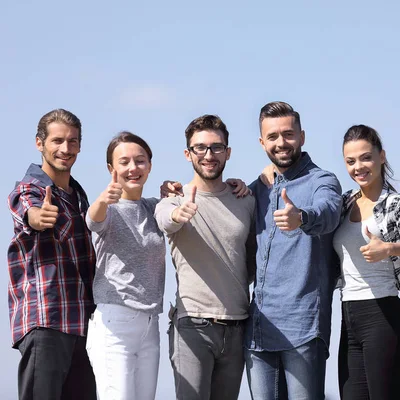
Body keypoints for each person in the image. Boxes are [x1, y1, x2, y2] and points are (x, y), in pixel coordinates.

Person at [245, 101, 343, 399]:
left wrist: (301, 217)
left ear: (302, 136)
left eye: (288, 134)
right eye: (272, 137)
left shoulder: (322, 181)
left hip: (303, 327)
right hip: (258, 331)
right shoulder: (255, 189)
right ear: (262, 142)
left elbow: (328, 211)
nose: (281, 143)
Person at [155, 115, 256, 400]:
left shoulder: (245, 200)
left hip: (237, 326)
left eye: (216, 147)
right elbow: (164, 220)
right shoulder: (173, 198)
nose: (208, 155)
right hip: (193, 326)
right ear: (188, 154)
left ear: (228, 152)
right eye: (200, 148)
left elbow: (249, 260)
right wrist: (178, 214)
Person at [334, 124, 400, 399]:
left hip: (383, 318)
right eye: (350, 161)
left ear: (381, 156)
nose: (359, 167)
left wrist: (388, 248)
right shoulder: (344, 203)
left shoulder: (397, 203)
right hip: (349, 316)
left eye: (366, 157)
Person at [7, 109, 97, 400]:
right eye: (57, 141)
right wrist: (37, 216)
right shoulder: (30, 188)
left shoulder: (78, 196)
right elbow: (29, 211)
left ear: (80, 146)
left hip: (83, 326)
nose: (65, 149)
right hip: (47, 321)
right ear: (39, 143)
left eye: (72, 142)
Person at [85, 132, 165, 399]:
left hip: (150, 324)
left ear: (150, 165)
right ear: (111, 169)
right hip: (114, 325)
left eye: (140, 161)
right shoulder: (108, 208)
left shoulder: (155, 208)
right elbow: (93, 220)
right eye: (124, 162)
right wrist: (102, 200)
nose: (133, 168)